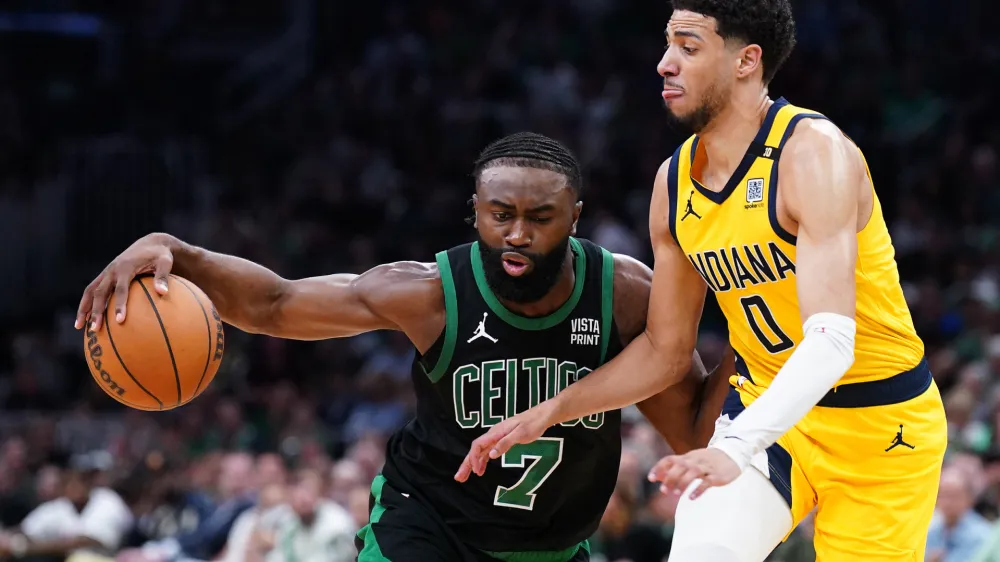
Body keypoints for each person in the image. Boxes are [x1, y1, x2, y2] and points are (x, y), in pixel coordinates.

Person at [75, 132, 732, 562]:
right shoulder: (428, 293)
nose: (518, 234)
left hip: (553, 547)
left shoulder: (624, 293)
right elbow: (276, 304)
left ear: (576, 217)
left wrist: (759, 331)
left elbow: (694, 433)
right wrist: (180, 252)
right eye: (500, 214)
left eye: (541, 218)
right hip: (429, 526)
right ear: (474, 211)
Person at [457, 2, 947, 561]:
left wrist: (736, 445)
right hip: (768, 415)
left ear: (747, 61)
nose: (665, 64)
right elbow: (667, 351)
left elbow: (832, 341)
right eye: (667, 46)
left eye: (688, 48)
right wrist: (550, 410)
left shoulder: (814, 153)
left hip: (880, 424)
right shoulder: (674, 182)